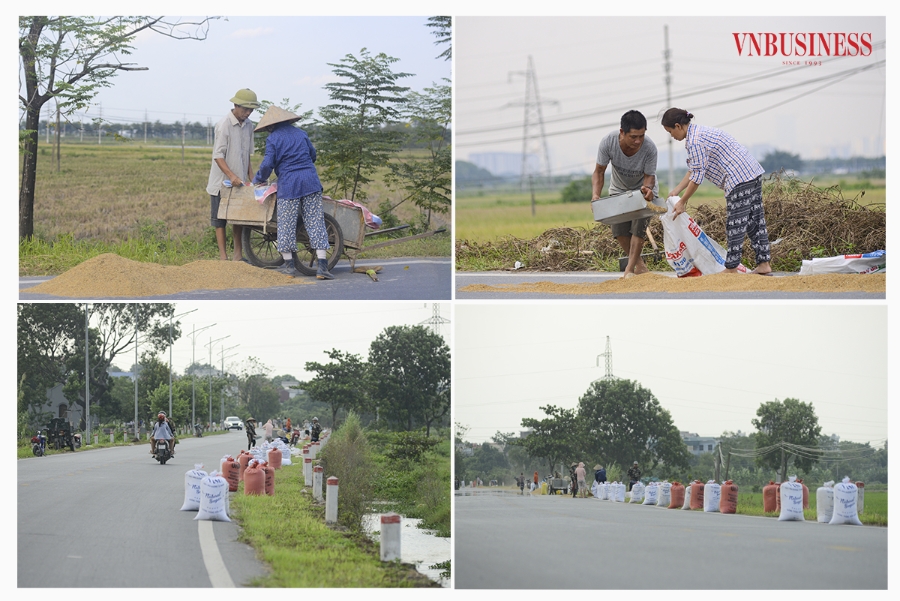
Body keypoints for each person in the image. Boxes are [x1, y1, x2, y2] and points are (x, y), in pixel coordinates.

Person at [661, 108, 772, 275]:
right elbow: (693, 169)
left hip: (738, 178)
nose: (671, 136)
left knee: (735, 223)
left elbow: (697, 176)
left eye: (670, 131)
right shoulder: (698, 133)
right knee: (754, 221)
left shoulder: (694, 141)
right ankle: (764, 264)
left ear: (678, 126)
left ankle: (731, 268)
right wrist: (676, 190)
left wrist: (682, 201)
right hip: (751, 172)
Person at [252, 106, 334, 280]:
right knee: (315, 222)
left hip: (289, 185)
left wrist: (258, 179)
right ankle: (322, 267)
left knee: (286, 225)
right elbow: (313, 155)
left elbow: (268, 164)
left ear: (270, 126)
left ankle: (289, 269)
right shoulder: (301, 133)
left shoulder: (273, 138)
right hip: (310, 181)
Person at [592, 110, 659, 278]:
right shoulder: (608, 142)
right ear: (622, 132)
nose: (638, 141)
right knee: (620, 231)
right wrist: (595, 197)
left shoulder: (650, 148)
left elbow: (649, 177)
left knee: (638, 228)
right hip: (618, 189)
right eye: (633, 137)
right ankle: (640, 267)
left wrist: (647, 190)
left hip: (643, 191)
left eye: (641, 136)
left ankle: (628, 271)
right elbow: (599, 171)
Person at [206, 88, 260, 262]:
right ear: (235, 105)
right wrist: (231, 176)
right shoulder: (224, 125)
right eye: (245, 109)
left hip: (240, 182)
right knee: (219, 220)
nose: (248, 113)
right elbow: (218, 156)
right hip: (221, 183)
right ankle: (223, 258)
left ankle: (238, 255)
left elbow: (247, 156)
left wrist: (252, 178)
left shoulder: (249, 125)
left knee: (239, 218)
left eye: (251, 110)